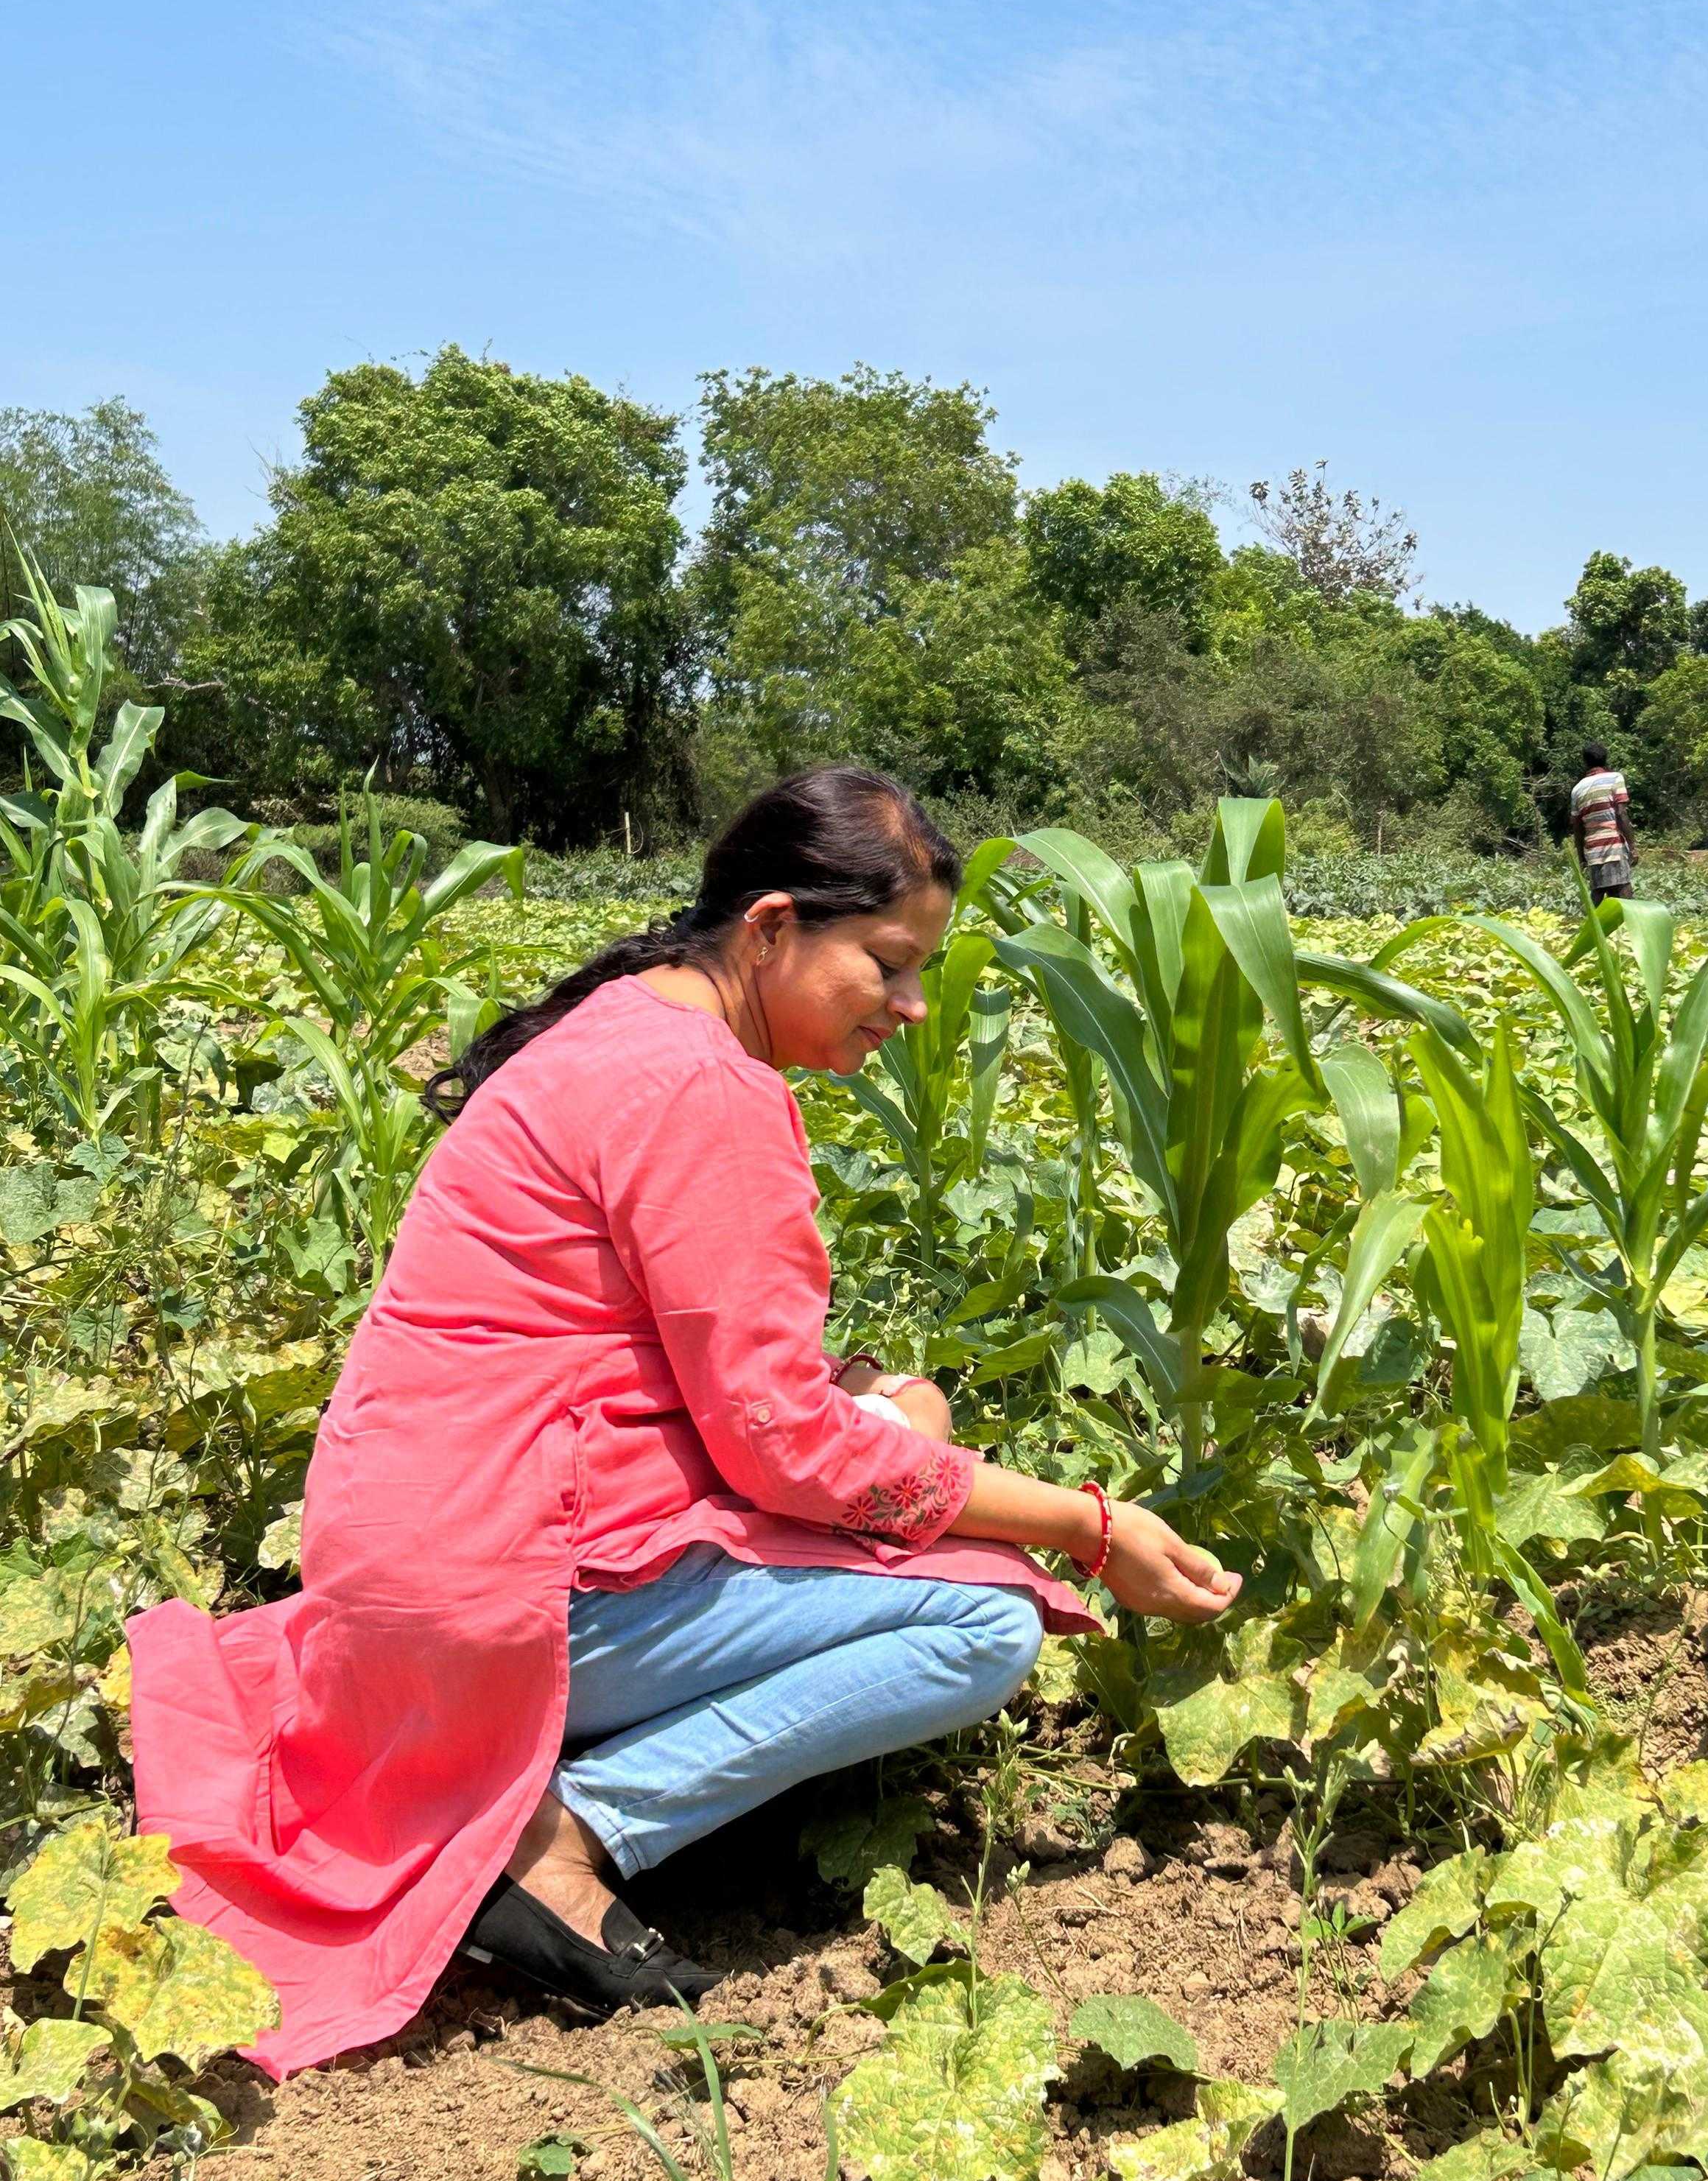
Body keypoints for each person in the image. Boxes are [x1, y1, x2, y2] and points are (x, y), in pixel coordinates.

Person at [127, 767, 1241, 2076]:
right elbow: (790, 1450)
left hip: (410, 1563)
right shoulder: (704, 1088)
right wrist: (1087, 1525)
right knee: (983, 1623)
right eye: (887, 963)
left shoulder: (618, 1030)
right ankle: (559, 1838)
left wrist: (896, 1425)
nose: (910, 1006)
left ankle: (541, 1769)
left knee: (909, 1424)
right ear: (770, 928)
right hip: (500, 1592)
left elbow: (731, 1396)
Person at [1570, 742, 1635, 905]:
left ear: (1585, 762)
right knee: (1624, 895)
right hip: (1614, 846)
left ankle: (1591, 921)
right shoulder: (1615, 778)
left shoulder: (1577, 790)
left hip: (1593, 851)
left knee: (1598, 892)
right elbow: (1621, 813)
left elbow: (1578, 829)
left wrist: (1581, 858)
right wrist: (1633, 847)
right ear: (1605, 759)